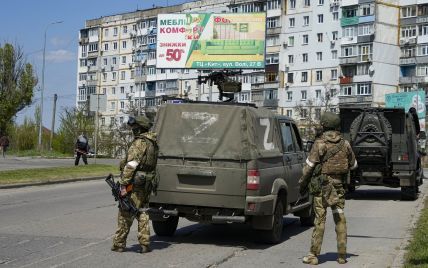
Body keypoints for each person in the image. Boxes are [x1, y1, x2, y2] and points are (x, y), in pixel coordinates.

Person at [299, 112, 357, 265]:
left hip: (322, 188)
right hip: (339, 188)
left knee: (320, 220)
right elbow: (354, 165)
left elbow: (308, 168)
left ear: (324, 126)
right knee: (340, 218)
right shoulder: (345, 144)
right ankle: (342, 255)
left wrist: (302, 185)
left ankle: (313, 255)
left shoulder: (319, 144)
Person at [111, 115, 159, 254]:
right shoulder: (153, 142)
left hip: (135, 184)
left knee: (125, 212)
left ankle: (119, 244)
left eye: (134, 128)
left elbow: (131, 164)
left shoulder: (140, 142)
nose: (132, 130)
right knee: (143, 212)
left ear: (139, 129)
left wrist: (123, 185)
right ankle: (145, 243)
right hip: (146, 183)